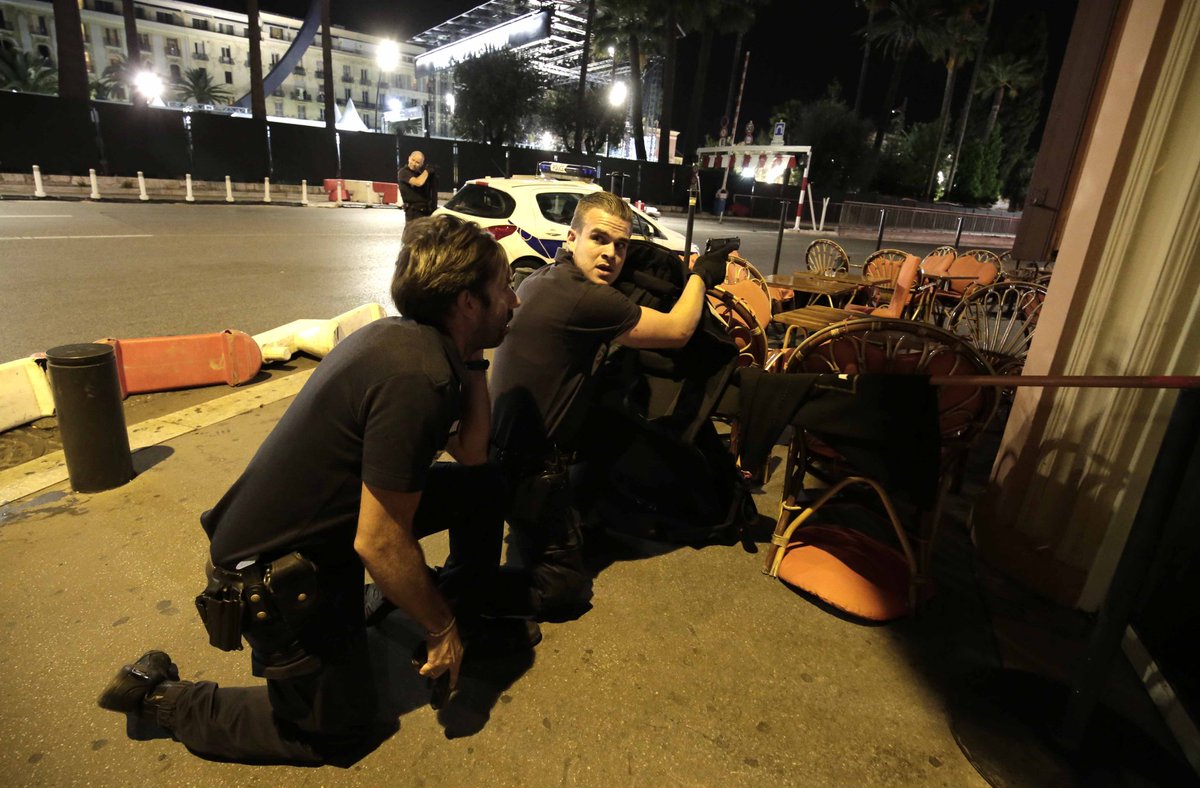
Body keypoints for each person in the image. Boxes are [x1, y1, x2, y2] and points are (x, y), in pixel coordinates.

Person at [97, 215, 528, 764]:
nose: (513, 302)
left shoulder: (417, 345)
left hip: (324, 535)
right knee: (336, 733)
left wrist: (473, 355)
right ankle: (158, 697)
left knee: (481, 484)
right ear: (468, 302)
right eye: (503, 289)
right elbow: (380, 541)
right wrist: (439, 627)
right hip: (272, 576)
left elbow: (472, 453)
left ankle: (433, 606)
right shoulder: (417, 379)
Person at [489, 190, 734, 618]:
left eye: (620, 245)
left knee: (614, 418)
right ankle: (455, 594)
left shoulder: (541, 278)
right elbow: (677, 331)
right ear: (571, 238)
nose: (611, 254)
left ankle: (581, 512)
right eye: (599, 239)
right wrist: (700, 277)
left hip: (503, 451)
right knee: (565, 590)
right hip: (527, 471)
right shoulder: (587, 298)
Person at [398, 150, 437, 225]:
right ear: (409, 158)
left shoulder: (419, 174)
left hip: (424, 211)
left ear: (421, 164)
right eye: (413, 160)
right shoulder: (403, 172)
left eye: (417, 162)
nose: (414, 163)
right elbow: (418, 182)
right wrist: (426, 171)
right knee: (413, 235)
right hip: (413, 213)